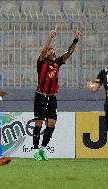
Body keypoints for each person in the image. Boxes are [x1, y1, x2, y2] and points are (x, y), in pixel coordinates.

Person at [33, 27, 82, 161]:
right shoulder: (41, 62)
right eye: (50, 51)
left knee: (52, 124)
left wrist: (76, 39)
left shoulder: (57, 63)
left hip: (52, 97)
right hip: (40, 97)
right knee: (38, 123)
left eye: (52, 50)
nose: (51, 52)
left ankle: (43, 149)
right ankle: (36, 151)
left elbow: (69, 52)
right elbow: (43, 51)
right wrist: (50, 37)